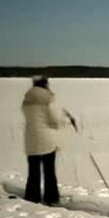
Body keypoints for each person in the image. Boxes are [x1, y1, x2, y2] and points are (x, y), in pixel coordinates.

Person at [21, 76, 76, 205]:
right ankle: (51, 198)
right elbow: (55, 120)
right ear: (45, 84)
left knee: (33, 171)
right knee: (49, 171)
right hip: (47, 141)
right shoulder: (47, 100)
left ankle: (32, 197)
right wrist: (67, 120)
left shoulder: (26, 100)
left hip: (31, 140)